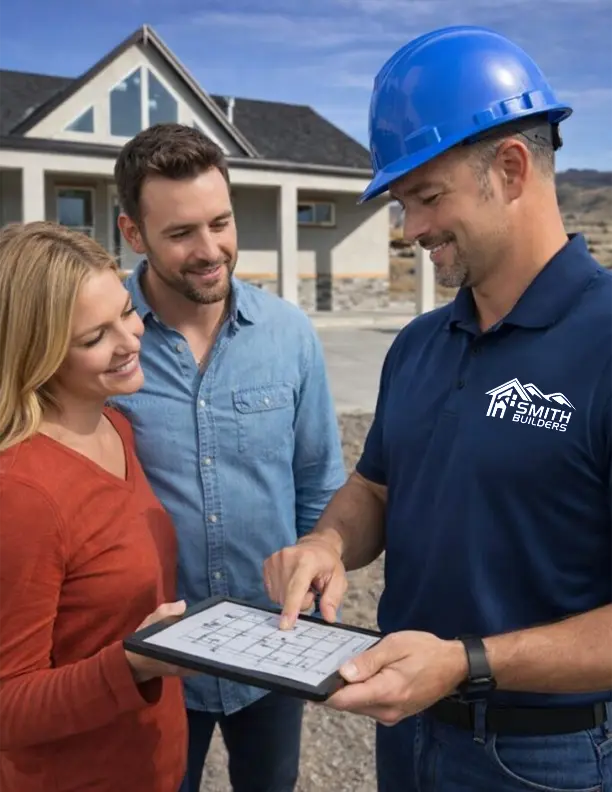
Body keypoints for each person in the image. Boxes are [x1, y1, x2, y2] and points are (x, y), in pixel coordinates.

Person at [263, 24, 612, 792]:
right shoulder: (419, 344)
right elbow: (377, 488)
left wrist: (464, 663)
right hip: (408, 734)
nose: (411, 229)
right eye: (401, 203)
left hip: (547, 760)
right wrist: (326, 543)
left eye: (426, 197)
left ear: (511, 169)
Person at [109, 122, 346, 792]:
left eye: (221, 223)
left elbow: (319, 484)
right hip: (149, 655)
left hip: (271, 647)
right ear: (133, 234)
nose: (210, 250)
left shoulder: (289, 334)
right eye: (182, 233)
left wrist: (319, 572)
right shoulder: (103, 343)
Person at [0, 221, 195, 792]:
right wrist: (132, 663)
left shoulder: (117, 425)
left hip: (154, 763)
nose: (131, 340)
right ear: (36, 353)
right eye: (94, 338)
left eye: (127, 311)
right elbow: (7, 704)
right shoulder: (22, 494)